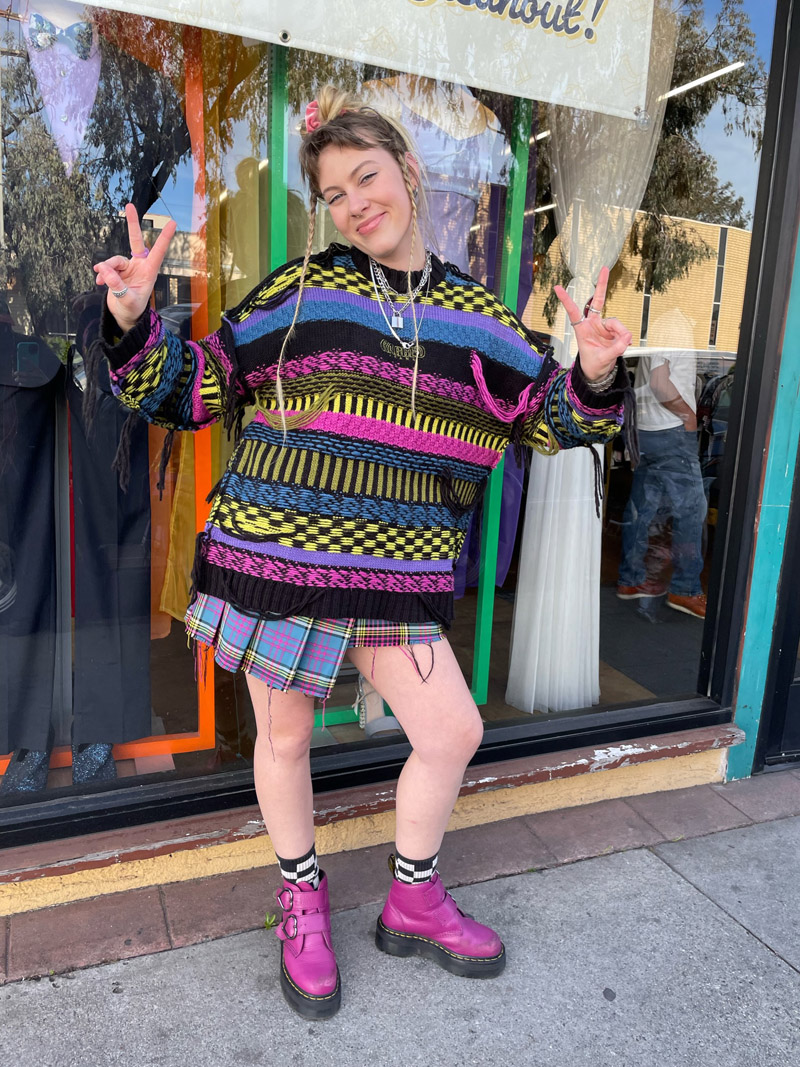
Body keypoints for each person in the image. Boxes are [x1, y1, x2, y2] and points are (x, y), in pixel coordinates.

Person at [93, 86, 633, 1020]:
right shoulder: (299, 294)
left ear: (411, 173)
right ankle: (301, 897)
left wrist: (591, 370)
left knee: (453, 729)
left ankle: (410, 896)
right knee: (288, 735)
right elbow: (191, 388)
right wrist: (138, 320)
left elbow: (550, 417)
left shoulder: (476, 318)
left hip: (396, 572)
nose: (354, 203)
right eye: (335, 192)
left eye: (367, 177)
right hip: (277, 559)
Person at [616, 350, 708, 619]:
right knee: (692, 510)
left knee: (641, 508)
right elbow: (659, 381)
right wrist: (688, 415)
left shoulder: (663, 320)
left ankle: (631, 579)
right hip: (670, 429)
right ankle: (686, 589)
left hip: (647, 428)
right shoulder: (675, 325)